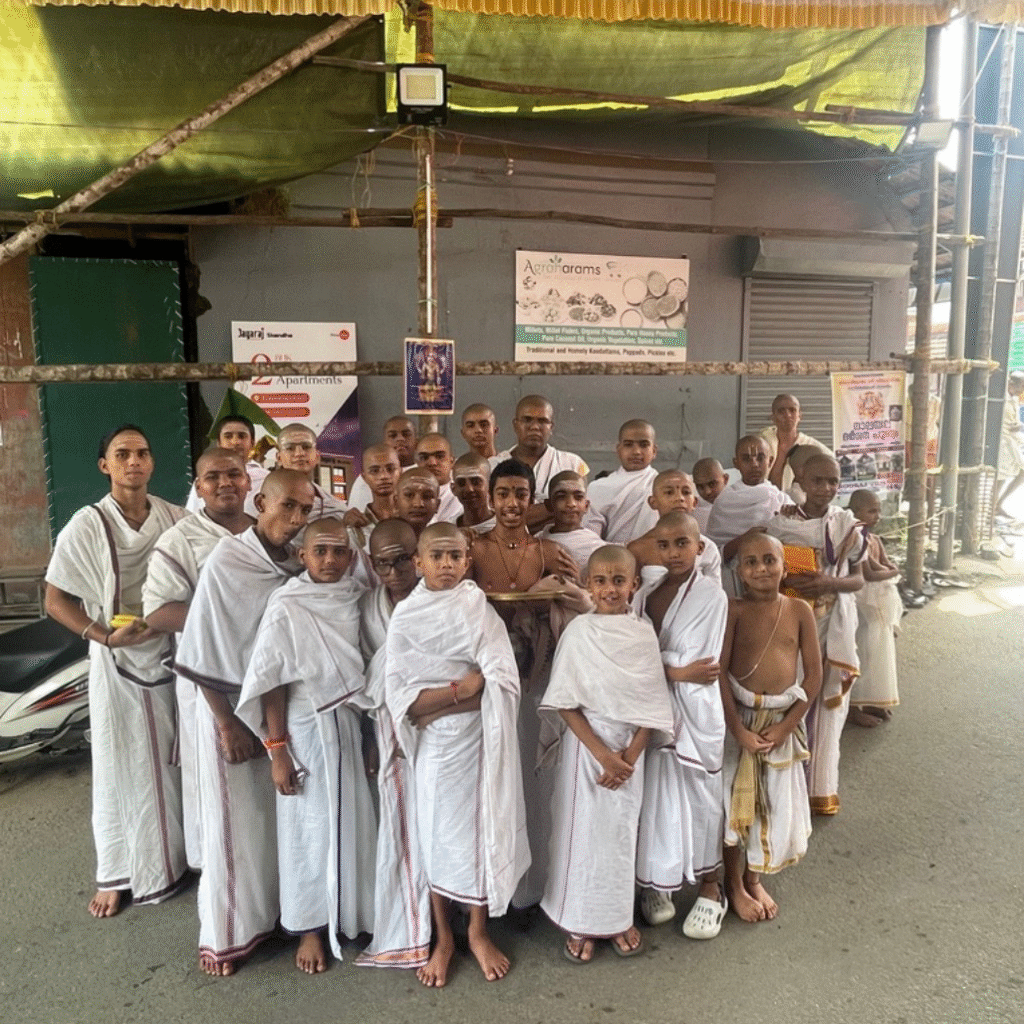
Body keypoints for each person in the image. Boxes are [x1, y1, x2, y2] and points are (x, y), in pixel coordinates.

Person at [175, 469, 316, 976]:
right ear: (261, 503)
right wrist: (226, 724)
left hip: (277, 710)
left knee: (274, 821)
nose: (296, 518)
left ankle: (277, 916)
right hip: (228, 706)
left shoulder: (294, 563)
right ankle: (227, 935)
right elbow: (200, 646)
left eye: (305, 509)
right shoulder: (229, 560)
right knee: (233, 827)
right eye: (287, 506)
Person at [45, 424, 188, 918]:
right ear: (105, 465)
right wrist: (103, 636)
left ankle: (180, 856)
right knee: (120, 766)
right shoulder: (87, 525)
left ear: (152, 462)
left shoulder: (174, 517)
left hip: (171, 653)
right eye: (122, 454)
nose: (134, 461)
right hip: (116, 660)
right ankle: (120, 871)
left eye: (142, 452)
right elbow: (55, 598)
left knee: (176, 762)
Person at [377, 523, 530, 986]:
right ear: (418, 562)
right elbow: (402, 700)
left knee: (481, 833)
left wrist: (448, 700)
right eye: (436, 556)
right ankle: (444, 938)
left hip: (479, 741)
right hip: (434, 749)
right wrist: (460, 690)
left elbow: (500, 681)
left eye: (455, 556)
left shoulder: (476, 608)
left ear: (467, 561)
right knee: (435, 836)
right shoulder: (407, 617)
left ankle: (478, 932)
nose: (446, 564)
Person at [235, 518, 376, 973]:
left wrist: (371, 739)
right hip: (302, 725)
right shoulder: (288, 604)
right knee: (306, 827)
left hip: (348, 722)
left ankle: (355, 914)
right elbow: (272, 681)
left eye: (339, 552)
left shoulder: (356, 597)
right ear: (303, 556)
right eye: (320, 551)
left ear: (351, 558)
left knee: (355, 820)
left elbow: (366, 668)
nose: (330, 560)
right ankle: (310, 926)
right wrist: (277, 751)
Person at [540, 545, 674, 963]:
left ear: (634, 584)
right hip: (588, 750)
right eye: (600, 581)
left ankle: (617, 918)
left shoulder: (642, 633)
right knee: (583, 836)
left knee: (620, 836)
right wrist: (604, 755)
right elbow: (564, 701)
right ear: (587, 584)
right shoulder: (579, 632)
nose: (610, 589)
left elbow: (653, 701)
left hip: (631, 753)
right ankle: (579, 919)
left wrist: (629, 757)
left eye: (619, 581)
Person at [470, 459, 586, 910]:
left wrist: (552, 595)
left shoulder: (550, 552)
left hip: (538, 674)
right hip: (488, 679)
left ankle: (535, 888)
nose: (512, 503)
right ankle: (492, 887)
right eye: (503, 494)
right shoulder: (472, 548)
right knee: (494, 781)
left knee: (536, 782)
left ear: (532, 499)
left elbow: (579, 609)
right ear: (491, 498)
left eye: (521, 494)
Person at [142, 447, 254, 871]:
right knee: (225, 790)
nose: (225, 483)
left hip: (261, 678)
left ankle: (267, 887)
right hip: (210, 684)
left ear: (248, 482)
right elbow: (158, 612)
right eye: (213, 477)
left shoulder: (263, 533)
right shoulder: (181, 540)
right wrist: (229, 620)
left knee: (266, 791)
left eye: (234, 474)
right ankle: (225, 889)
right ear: (199, 488)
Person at [633, 513, 730, 938]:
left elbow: (700, 663)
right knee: (655, 798)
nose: (673, 553)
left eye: (682, 544)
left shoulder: (711, 595)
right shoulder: (645, 592)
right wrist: (672, 670)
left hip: (693, 713)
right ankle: (659, 881)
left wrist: (660, 666)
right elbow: (634, 652)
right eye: (664, 544)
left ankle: (712, 887)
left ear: (699, 547)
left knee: (700, 798)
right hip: (654, 711)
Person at [719, 532, 822, 922]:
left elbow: (814, 676)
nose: (761, 568)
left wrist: (786, 726)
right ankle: (734, 884)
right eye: (751, 562)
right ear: (739, 571)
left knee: (772, 804)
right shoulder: (733, 610)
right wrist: (737, 730)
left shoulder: (799, 610)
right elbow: (719, 674)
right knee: (735, 805)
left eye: (769, 560)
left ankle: (754, 876)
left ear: (784, 566)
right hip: (741, 721)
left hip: (780, 724)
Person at [766, 454, 866, 816]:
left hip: (831, 624)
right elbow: (765, 569)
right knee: (789, 697)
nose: (825, 488)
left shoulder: (845, 525)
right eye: (818, 481)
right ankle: (783, 790)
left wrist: (828, 583)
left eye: (833, 481)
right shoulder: (780, 523)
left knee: (825, 706)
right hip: (789, 623)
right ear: (801, 482)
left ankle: (819, 790)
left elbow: (859, 578)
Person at [847, 489, 902, 727]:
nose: (877, 516)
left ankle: (871, 700)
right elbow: (870, 573)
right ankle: (853, 707)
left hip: (877, 608)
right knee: (861, 654)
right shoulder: (855, 537)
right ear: (855, 512)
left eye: (878, 510)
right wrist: (894, 571)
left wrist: (890, 570)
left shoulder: (875, 539)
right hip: (862, 608)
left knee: (878, 655)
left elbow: (885, 565)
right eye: (871, 511)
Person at [706, 436, 787, 596]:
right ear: (736, 463)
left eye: (760, 458)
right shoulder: (724, 501)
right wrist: (744, 540)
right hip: (733, 581)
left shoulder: (782, 500)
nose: (754, 464)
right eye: (746, 459)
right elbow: (712, 553)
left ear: (770, 461)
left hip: (776, 581)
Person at [495, 395, 588, 527]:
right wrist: (554, 509)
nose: (534, 427)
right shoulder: (492, 465)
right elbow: (490, 519)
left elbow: (580, 514)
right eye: (527, 420)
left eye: (542, 421)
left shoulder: (573, 464)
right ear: (515, 425)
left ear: (551, 427)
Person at [628, 469, 721, 586]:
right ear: (653, 502)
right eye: (669, 492)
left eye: (686, 492)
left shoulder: (708, 548)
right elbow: (631, 593)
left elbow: (715, 593)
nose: (679, 498)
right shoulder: (637, 549)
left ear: (694, 502)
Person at [583, 419, 660, 543]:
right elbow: (589, 538)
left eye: (644, 445)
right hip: (609, 553)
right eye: (628, 444)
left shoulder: (663, 487)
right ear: (618, 450)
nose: (636, 452)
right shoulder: (598, 488)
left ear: (654, 451)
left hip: (655, 553)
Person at [186, 415, 268, 515]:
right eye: (228, 436)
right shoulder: (205, 480)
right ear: (219, 443)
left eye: (242, 436)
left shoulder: (266, 478)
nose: (235, 442)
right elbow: (192, 516)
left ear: (252, 442)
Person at [537, 470, 605, 576]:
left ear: (586, 506)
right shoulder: (538, 540)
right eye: (561, 497)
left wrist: (580, 581)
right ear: (549, 505)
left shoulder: (596, 547)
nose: (571, 504)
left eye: (578, 497)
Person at [759, 393, 830, 493]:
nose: (787, 415)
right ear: (773, 417)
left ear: (799, 416)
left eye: (792, 410)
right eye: (781, 411)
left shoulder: (811, 447)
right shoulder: (762, 444)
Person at [275, 422, 347, 518]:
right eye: (290, 448)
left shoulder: (334, 507)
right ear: (279, 458)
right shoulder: (262, 499)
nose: (299, 453)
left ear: (317, 456)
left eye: (306, 447)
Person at [347, 415, 418, 512]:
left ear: (416, 441)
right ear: (385, 442)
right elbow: (358, 515)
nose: (400, 439)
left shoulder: (425, 474)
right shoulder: (364, 479)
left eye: (406, 434)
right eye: (393, 435)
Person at [342, 443, 401, 546]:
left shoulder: (415, 517)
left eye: (390, 469)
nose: (384, 476)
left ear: (400, 472)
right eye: (374, 471)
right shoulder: (356, 527)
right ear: (364, 477)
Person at [414, 432, 463, 523]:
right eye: (424, 457)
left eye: (440, 456)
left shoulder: (462, 496)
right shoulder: (406, 496)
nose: (432, 463)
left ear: (452, 461)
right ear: (417, 463)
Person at [995, 371, 1024, 519]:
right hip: (1003, 442)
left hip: (1012, 441)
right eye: (1022, 386)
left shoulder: (1013, 399)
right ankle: (994, 506)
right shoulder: (1002, 398)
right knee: (1001, 476)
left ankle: (997, 504)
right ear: (1012, 384)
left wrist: (1018, 426)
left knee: (1007, 475)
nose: (1022, 390)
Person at [451, 452, 495, 532]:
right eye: (461, 483)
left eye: (476, 482)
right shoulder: (448, 530)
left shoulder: (507, 527)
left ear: (490, 485)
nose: (469, 489)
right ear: (453, 489)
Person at [394, 467, 441, 538]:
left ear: (437, 505)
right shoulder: (380, 537)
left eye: (427, 496)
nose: (418, 504)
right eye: (409, 495)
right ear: (396, 502)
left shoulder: (446, 538)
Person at [691, 457, 729, 533]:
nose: (707, 492)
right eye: (700, 486)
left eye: (712, 484)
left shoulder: (743, 504)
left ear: (725, 479)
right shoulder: (692, 512)